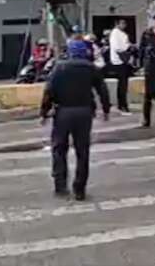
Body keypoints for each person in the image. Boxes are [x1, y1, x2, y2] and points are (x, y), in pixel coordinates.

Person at [39, 46, 111, 201]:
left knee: (59, 149)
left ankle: (60, 184)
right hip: (84, 113)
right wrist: (106, 110)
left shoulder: (59, 68)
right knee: (82, 151)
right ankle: (79, 188)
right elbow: (102, 90)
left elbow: (48, 91)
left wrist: (44, 113)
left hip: (63, 113)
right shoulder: (90, 68)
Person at [107, 19, 132, 115]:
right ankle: (122, 105)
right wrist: (127, 45)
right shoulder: (115, 33)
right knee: (122, 85)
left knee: (123, 84)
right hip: (119, 61)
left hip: (123, 60)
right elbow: (118, 47)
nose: (124, 25)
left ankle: (122, 104)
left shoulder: (121, 33)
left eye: (125, 23)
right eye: (122, 23)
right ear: (117, 24)